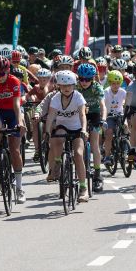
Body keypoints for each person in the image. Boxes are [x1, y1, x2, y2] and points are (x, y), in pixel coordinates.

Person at [45, 70, 90, 202]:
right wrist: (47, 131)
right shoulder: (55, 98)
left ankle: (83, 188)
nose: (66, 88)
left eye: (69, 85)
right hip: (62, 127)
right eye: (63, 86)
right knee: (56, 136)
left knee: (78, 154)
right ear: (59, 86)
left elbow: (82, 115)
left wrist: (84, 129)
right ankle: (58, 162)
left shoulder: (78, 97)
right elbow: (51, 116)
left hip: (77, 128)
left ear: (74, 85)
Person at [0, 56, 27, 203]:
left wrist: (20, 122)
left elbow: (16, 105)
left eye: (2, 74)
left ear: (8, 72)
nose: (0, 77)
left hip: (12, 113)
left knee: (15, 150)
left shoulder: (14, 81)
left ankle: (19, 188)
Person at [76, 62, 106, 192]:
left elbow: (103, 106)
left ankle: (98, 175)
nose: (84, 82)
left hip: (94, 114)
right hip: (80, 114)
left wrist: (103, 119)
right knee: (80, 144)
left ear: (92, 78)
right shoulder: (76, 87)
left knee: (94, 144)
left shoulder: (96, 88)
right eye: (81, 79)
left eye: (87, 79)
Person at [102, 70, 127, 166]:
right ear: (109, 83)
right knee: (109, 134)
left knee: (125, 126)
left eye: (118, 83)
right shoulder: (106, 92)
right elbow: (103, 102)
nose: (116, 85)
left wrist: (125, 104)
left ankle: (125, 147)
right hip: (109, 116)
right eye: (113, 83)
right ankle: (107, 156)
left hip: (120, 114)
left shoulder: (123, 91)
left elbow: (126, 100)